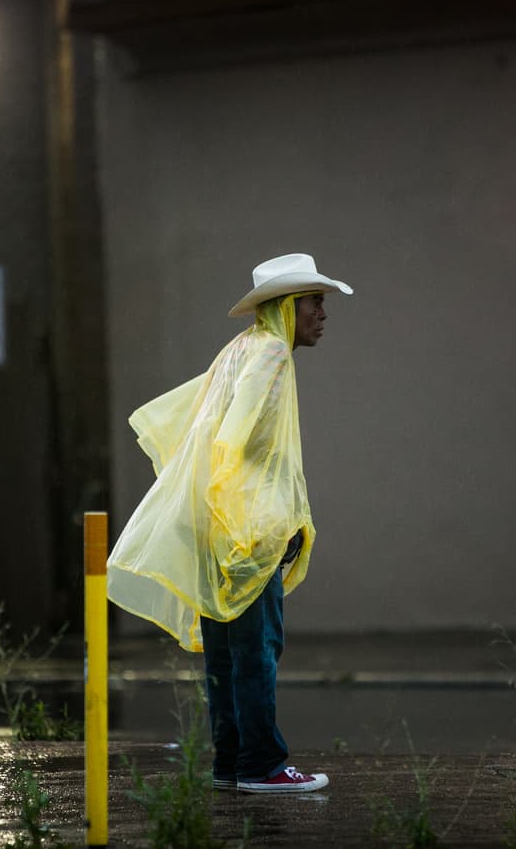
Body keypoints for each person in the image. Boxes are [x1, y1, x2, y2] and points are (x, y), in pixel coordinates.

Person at [107, 253, 352, 794]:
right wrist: (261, 520)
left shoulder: (239, 350)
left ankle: (232, 762)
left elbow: (200, 431)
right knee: (256, 649)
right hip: (244, 530)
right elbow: (233, 441)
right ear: (288, 306)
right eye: (315, 301)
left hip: (214, 526)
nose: (322, 312)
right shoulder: (270, 357)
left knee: (226, 652)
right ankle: (263, 765)